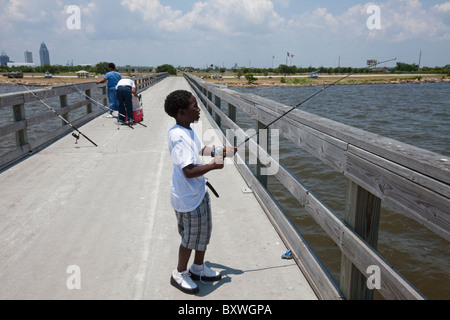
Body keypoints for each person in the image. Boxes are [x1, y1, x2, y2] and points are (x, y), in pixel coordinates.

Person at [165, 90, 237, 295]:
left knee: (203, 234)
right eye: (194, 107)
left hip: (197, 193)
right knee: (190, 238)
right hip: (187, 198)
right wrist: (214, 166)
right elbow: (188, 171)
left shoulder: (187, 129)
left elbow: (200, 149)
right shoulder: (178, 136)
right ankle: (179, 272)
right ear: (181, 112)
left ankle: (197, 268)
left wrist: (220, 152)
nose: (198, 110)